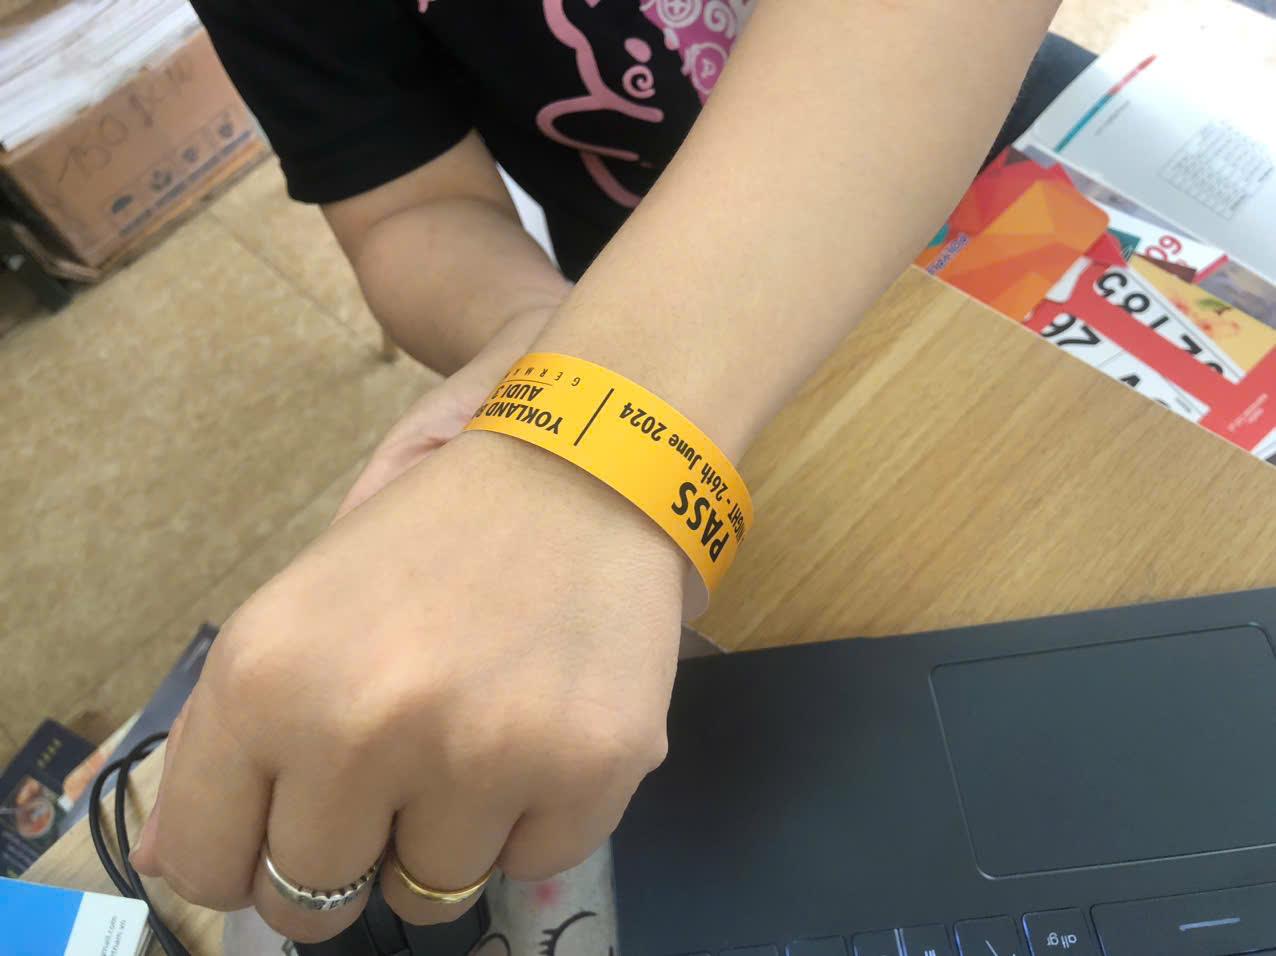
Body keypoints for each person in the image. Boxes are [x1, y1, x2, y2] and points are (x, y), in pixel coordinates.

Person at [130, 0, 1090, 944]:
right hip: (620, 294)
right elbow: (408, 205)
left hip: (1016, 175)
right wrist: (531, 336)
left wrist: (589, 441)